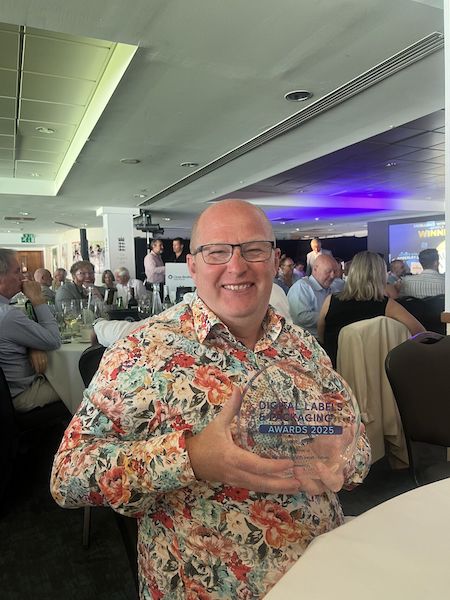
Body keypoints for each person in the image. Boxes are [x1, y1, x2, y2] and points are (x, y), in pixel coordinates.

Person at [51, 200, 370, 599]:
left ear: (274, 261)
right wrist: (192, 458)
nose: (237, 266)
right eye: (217, 251)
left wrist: (341, 457)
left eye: (253, 250)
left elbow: (355, 445)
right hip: (211, 586)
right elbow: (68, 475)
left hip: (324, 571)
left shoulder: (303, 346)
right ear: (193, 266)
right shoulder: (142, 351)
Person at [317, 251, 425, 367]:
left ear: (352, 273)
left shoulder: (330, 300)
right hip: (372, 371)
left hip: (334, 371)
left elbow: (321, 338)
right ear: (381, 275)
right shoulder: (387, 305)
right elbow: (421, 333)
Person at [0, 249, 61, 412]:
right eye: (17, 271)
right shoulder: (7, 316)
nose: (22, 277)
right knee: (79, 382)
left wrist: (32, 346)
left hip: (8, 392)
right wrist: (37, 300)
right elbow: (54, 340)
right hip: (19, 396)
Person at [287, 254, 341, 338]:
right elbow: (300, 318)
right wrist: (331, 316)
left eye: (335, 271)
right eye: (328, 271)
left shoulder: (333, 288)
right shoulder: (302, 287)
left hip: (329, 337)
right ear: (315, 269)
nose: (332, 276)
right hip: (309, 340)